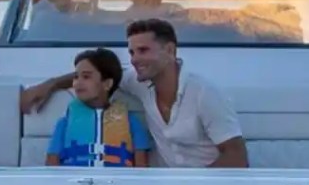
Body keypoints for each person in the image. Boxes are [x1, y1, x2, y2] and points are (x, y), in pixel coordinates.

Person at [21, 18, 248, 168]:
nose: (134, 59)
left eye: (143, 50)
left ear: (170, 51)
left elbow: (237, 158)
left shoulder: (205, 93)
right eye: (131, 52)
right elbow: (98, 75)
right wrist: (48, 85)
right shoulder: (139, 80)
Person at [44, 47, 152, 168]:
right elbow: (51, 166)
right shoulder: (65, 122)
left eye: (86, 77)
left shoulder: (132, 123)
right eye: (76, 77)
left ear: (107, 84)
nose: (77, 83)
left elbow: (142, 169)